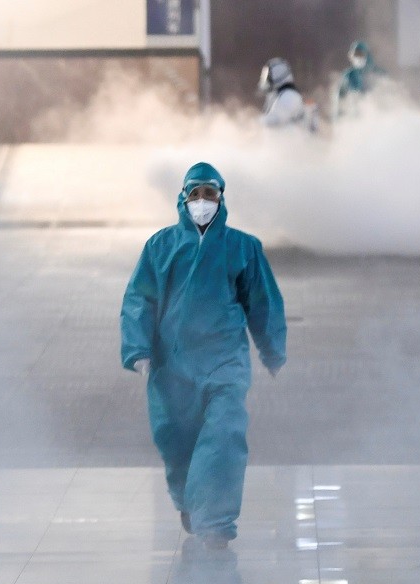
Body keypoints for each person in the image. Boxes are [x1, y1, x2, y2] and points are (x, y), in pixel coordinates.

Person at [121, 162, 287, 550]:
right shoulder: (160, 247)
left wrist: (272, 349)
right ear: (182, 199)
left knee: (225, 434)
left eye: (208, 194)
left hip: (224, 362)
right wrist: (138, 348)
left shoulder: (243, 248)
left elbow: (263, 301)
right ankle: (189, 500)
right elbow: (139, 300)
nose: (201, 202)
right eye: (194, 194)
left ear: (221, 198)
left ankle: (215, 522)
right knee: (177, 440)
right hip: (171, 365)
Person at [332, 40, 382, 121]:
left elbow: (387, 96)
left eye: (360, 54)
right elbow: (340, 99)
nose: (358, 58)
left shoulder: (378, 74)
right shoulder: (348, 75)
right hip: (354, 119)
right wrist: (338, 119)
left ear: (367, 55)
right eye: (355, 55)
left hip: (375, 119)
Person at [257, 57, 309, 129]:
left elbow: (276, 118)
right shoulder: (278, 96)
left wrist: (255, 124)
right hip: (283, 139)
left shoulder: (289, 96)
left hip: (292, 139)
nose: (266, 79)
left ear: (276, 75)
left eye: (268, 75)